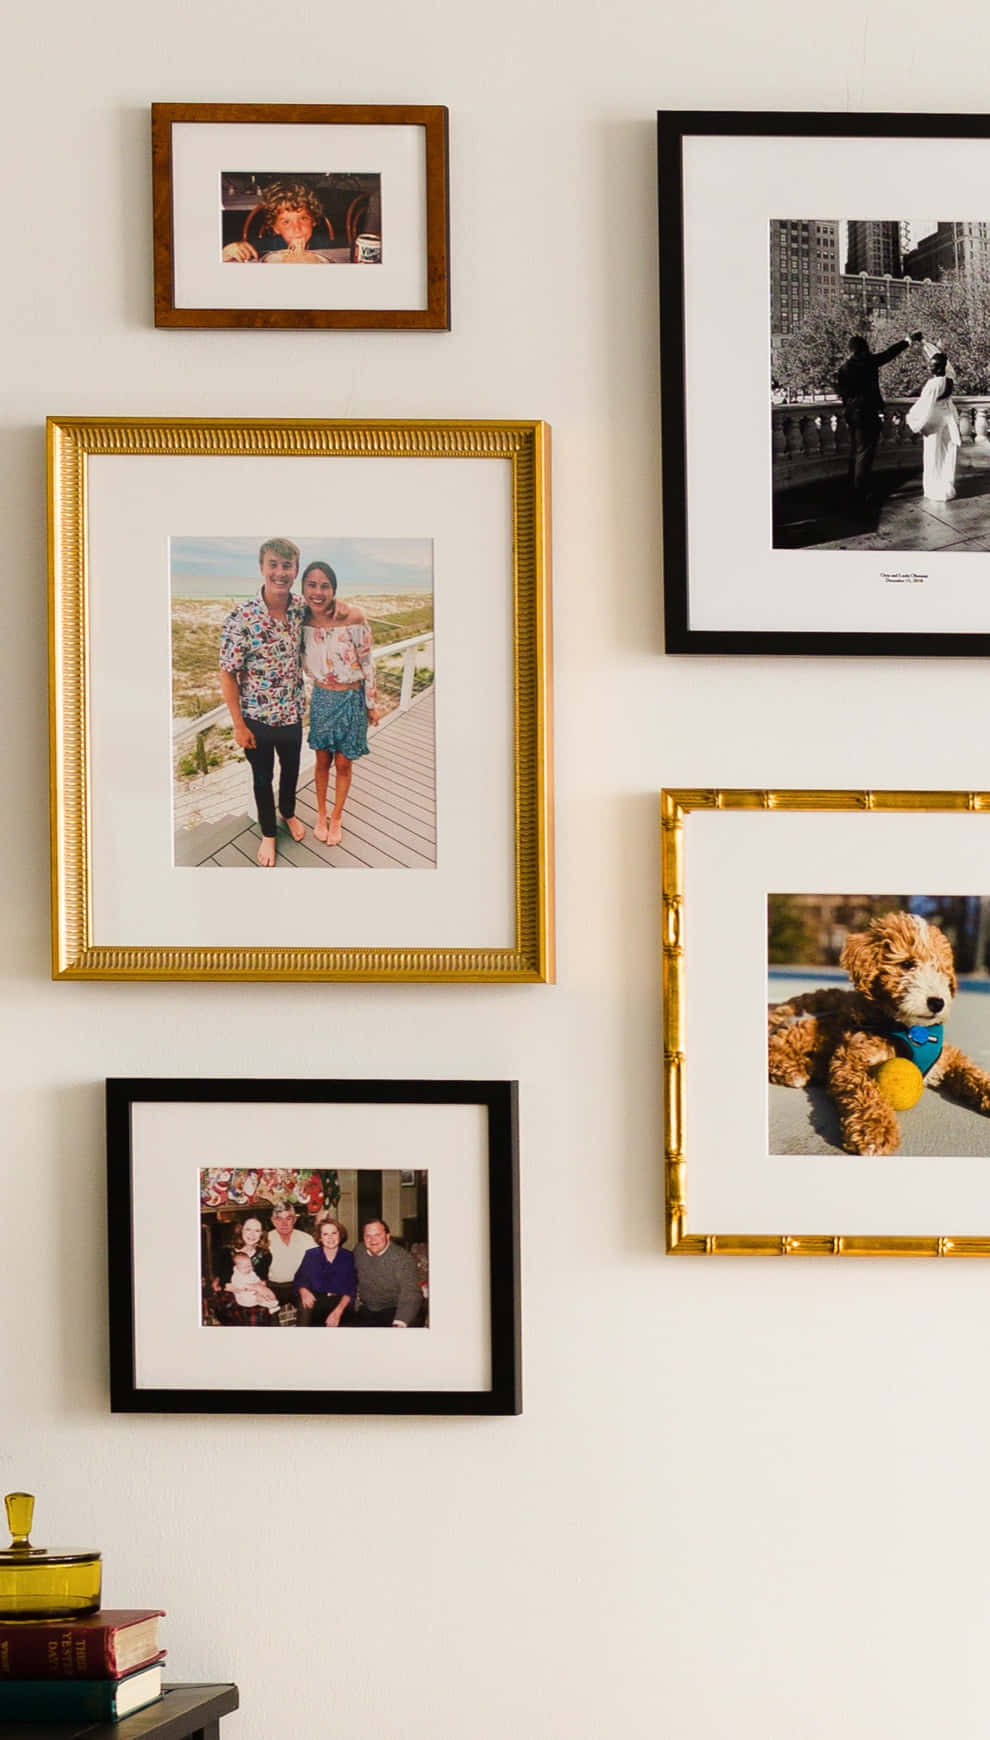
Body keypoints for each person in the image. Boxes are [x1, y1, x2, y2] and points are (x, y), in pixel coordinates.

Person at [219, 537, 308, 867]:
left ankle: (288, 813)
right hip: (256, 718)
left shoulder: (300, 607)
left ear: (295, 570)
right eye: (273, 564)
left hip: (292, 713)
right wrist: (238, 725)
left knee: (291, 771)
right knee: (261, 779)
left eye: (287, 566)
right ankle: (268, 834)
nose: (280, 572)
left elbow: (331, 615)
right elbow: (227, 673)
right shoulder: (241, 617)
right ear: (262, 568)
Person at [301, 561, 383, 847]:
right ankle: (321, 814)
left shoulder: (354, 617)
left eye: (325, 585)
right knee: (322, 761)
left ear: (334, 589)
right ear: (303, 589)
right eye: (311, 584)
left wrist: (371, 703)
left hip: (352, 699)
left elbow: (368, 663)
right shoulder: (301, 621)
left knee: (344, 763)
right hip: (322, 698)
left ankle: (337, 817)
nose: (318, 591)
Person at [835, 330, 924, 514]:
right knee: (865, 454)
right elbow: (890, 353)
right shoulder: (868, 362)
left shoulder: (844, 368)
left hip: (852, 414)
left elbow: (842, 392)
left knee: (857, 451)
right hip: (867, 414)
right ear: (864, 348)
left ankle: (853, 487)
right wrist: (907, 340)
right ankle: (861, 493)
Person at [222, 183, 337, 265]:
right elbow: (241, 253)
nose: (297, 228)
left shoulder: (328, 248)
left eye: (303, 218)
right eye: (286, 222)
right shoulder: (262, 249)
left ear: (314, 221)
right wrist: (226, 254)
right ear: (275, 227)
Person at [906, 346, 961, 503]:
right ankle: (946, 485)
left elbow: (925, 405)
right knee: (945, 453)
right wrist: (924, 344)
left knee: (932, 455)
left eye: (932, 365)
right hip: (947, 419)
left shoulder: (933, 384)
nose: (929, 367)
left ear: (938, 367)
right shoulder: (949, 379)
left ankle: (934, 488)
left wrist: (914, 422)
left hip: (934, 422)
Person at [353, 1219, 423, 1327]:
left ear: (387, 1236)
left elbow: (411, 1292)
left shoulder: (402, 1258)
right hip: (365, 1309)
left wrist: (401, 1321)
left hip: (393, 1310)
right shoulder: (359, 1250)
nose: (372, 1240)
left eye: (377, 1235)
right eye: (368, 1236)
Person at [210, 1216, 277, 1326]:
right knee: (253, 1317)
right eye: (248, 1229)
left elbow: (263, 1281)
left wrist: (259, 1290)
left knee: (266, 1311)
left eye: (257, 1230)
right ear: (240, 1230)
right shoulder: (226, 1252)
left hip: (254, 1294)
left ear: (262, 1234)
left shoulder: (265, 1255)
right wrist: (255, 1287)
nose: (252, 1234)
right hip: (230, 1296)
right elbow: (226, 1285)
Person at [293, 1216, 357, 1327]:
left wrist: (338, 1312)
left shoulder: (348, 1257)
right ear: (320, 1238)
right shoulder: (311, 1255)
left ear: (340, 1235)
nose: (330, 1238)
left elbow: (351, 1289)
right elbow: (300, 1278)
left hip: (341, 1303)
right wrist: (303, 1290)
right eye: (325, 1234)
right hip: (318, 1302)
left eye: (334, 1233)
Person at [266, 1203, 316, 1312]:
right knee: (267, 1309)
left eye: (288, 1218)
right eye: (279, 1219)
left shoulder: (306, 1239)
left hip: (298, 1286)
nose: (284, 1223)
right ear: (272, 1221)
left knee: (308, 1305)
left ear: (294, 1220)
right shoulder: (265, 1240)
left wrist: (305, 1287)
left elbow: (316, 1264)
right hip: (273, 1286)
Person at [226, 1250, 280, 1318]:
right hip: (244, 1297)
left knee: (265, 1292)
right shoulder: (236, 1276)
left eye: (250, 1265)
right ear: (236, 1267)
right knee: (258, 1297)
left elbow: (257, 1279)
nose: (249, 1268)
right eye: (245, 1267)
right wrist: (252, 1287)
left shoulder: (251, 1272)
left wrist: (259, 1283)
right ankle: (269, 1306)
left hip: (253, 1291)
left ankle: (271, 1303)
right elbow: (239, 1286)